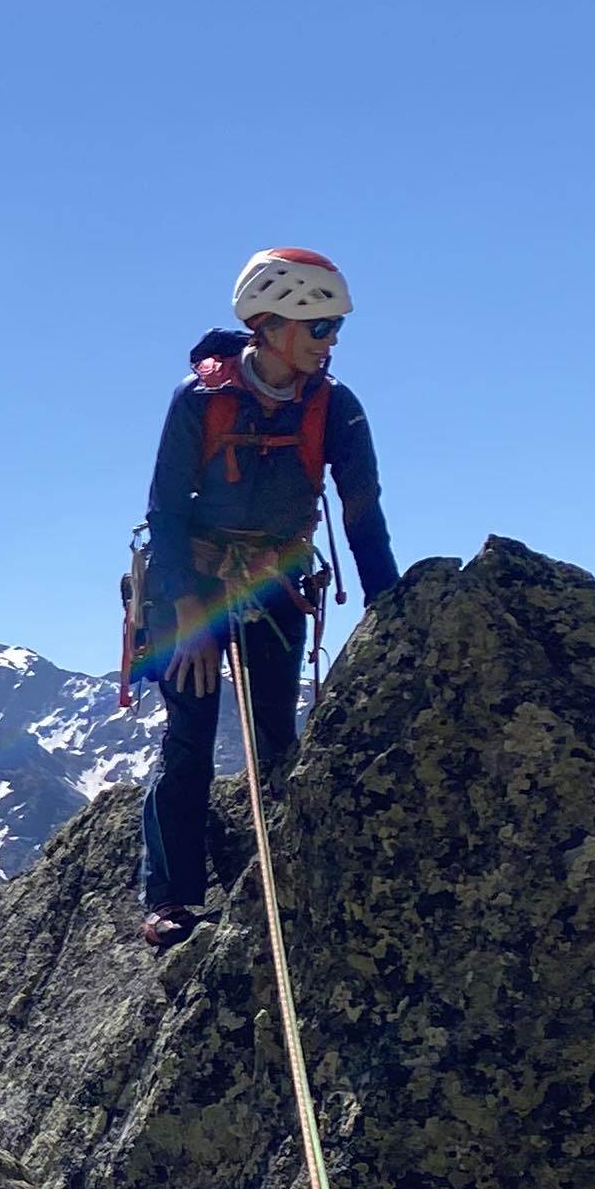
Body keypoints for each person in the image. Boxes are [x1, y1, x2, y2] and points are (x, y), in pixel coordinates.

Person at [133, 247, 400, 947]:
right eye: (321, 327)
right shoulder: (200, 400)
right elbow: (165, 510)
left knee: (274, 736)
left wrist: (392, 609)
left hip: (274, 586)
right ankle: (170, 898)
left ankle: (271, 875)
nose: (331, 342)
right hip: (190, 586)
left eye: (334, 328)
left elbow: (362, 511)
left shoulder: (336, 408)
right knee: (189, 737)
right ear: (274, 323)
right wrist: (186, 612)